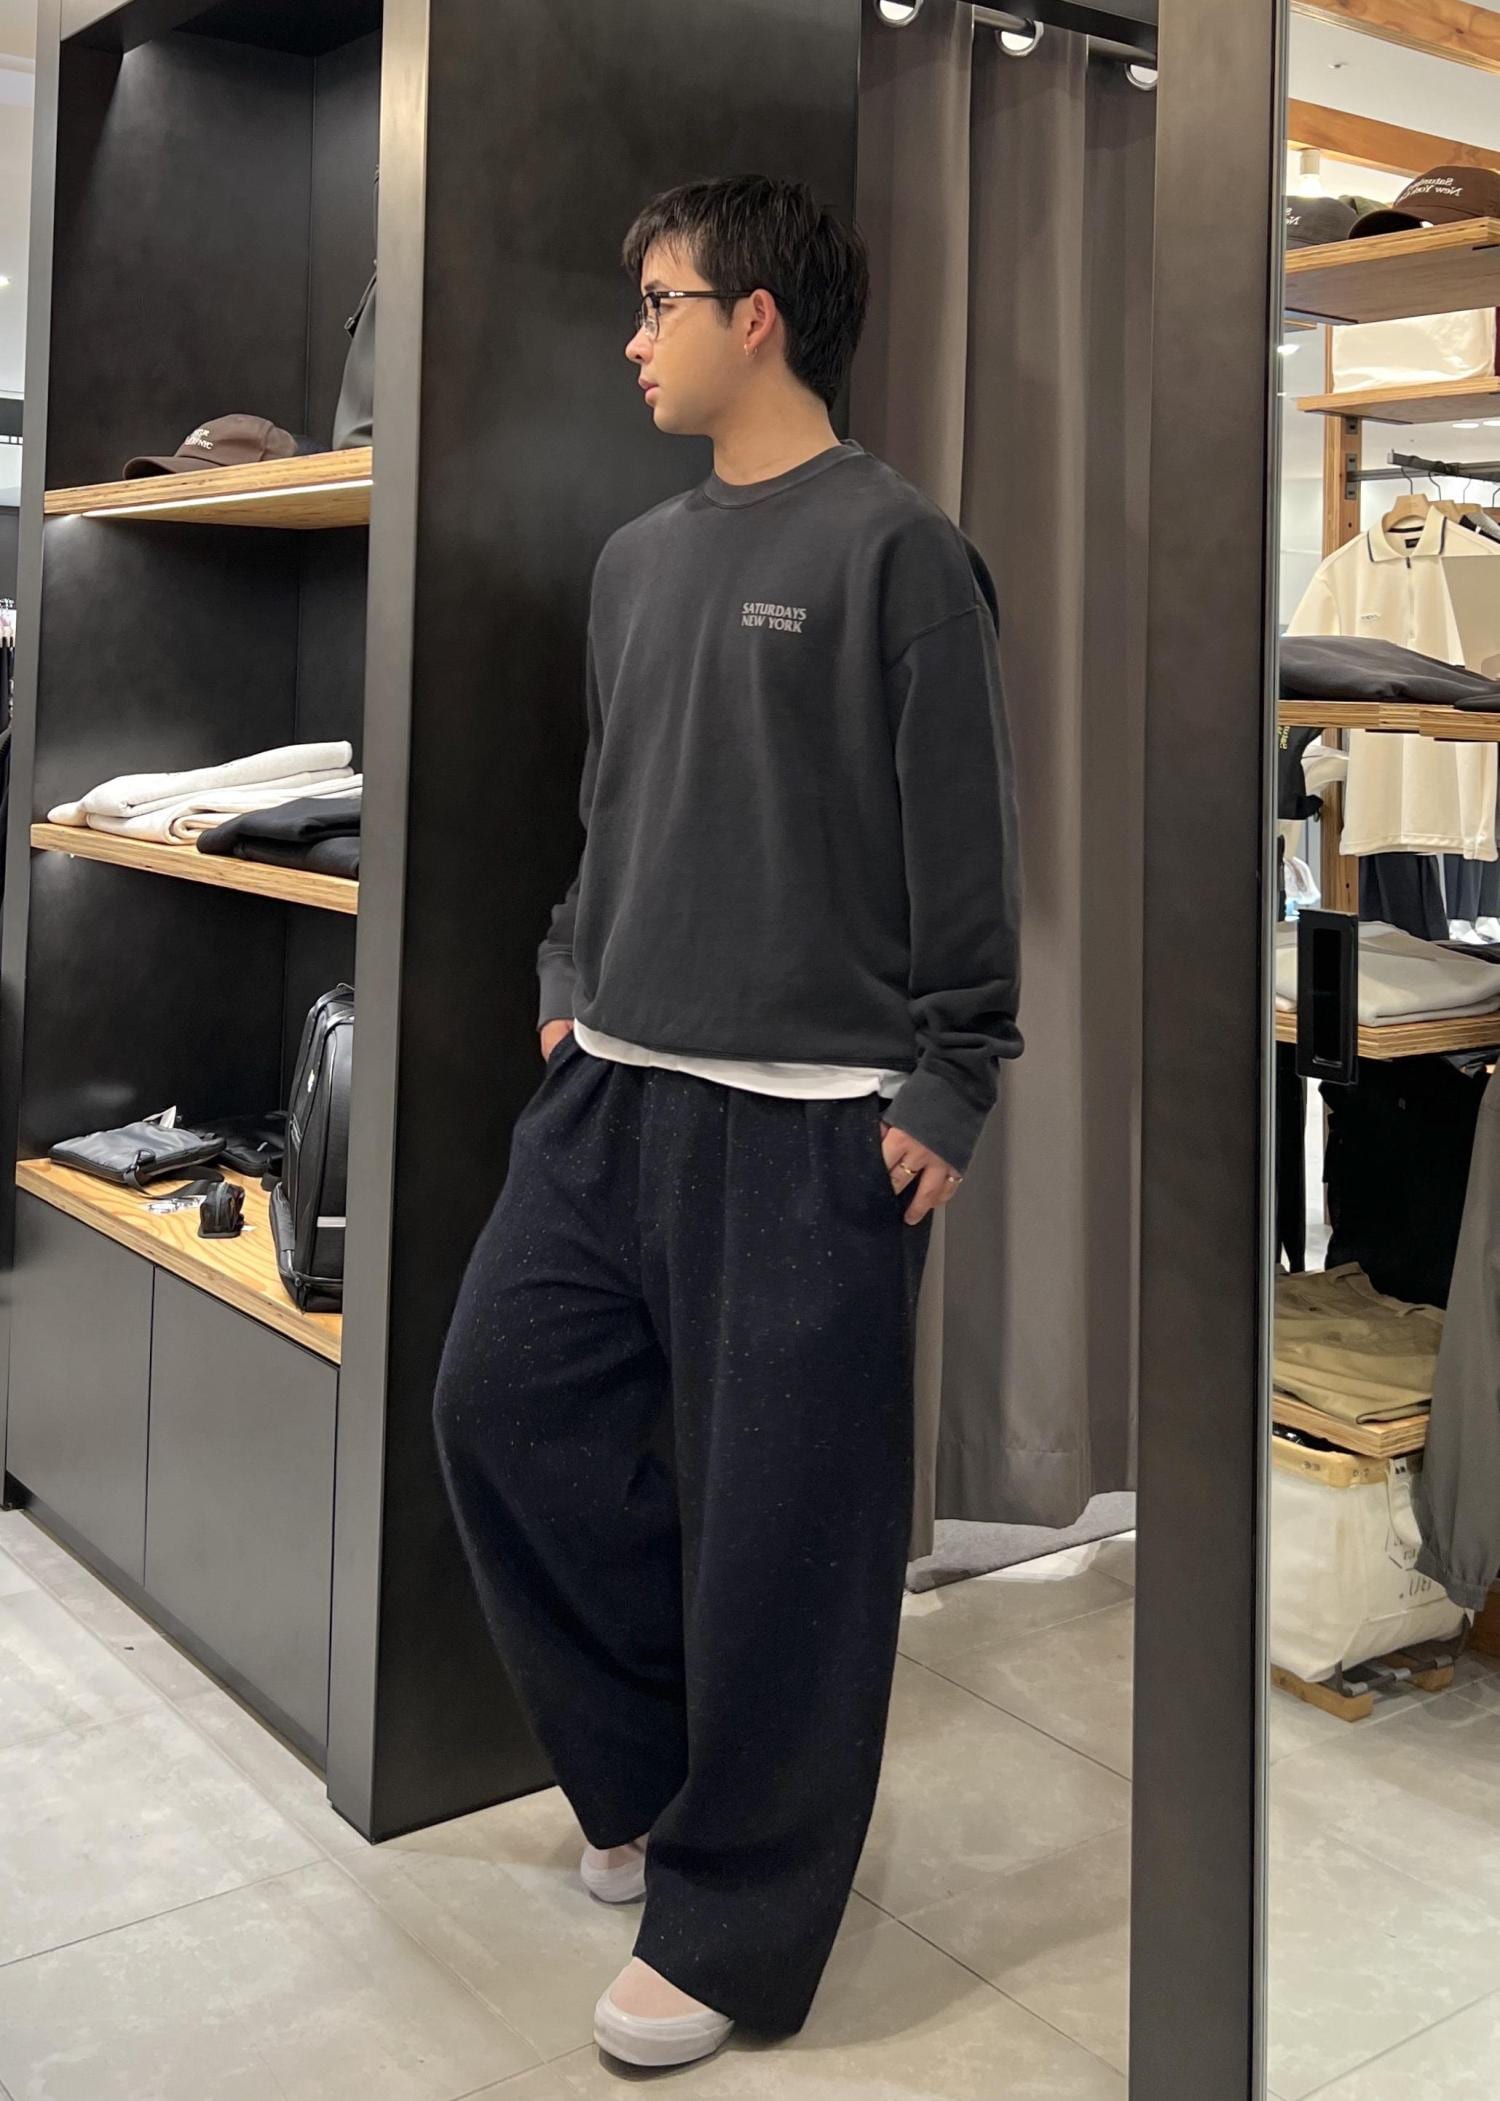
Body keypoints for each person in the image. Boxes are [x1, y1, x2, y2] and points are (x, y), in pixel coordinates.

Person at [432, 173, 1021, 2071]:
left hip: (813, 1126)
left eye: (660, 304)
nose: (634, 339)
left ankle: (739, 1921)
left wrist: (956, 1072)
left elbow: (967, 837)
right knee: (497, 1404)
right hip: (609, 1090)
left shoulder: (899, 550)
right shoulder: (635, 558)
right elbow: (616, 801)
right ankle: (644, 1777)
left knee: (788, 1544)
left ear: (755, 317)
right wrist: (564, 961)